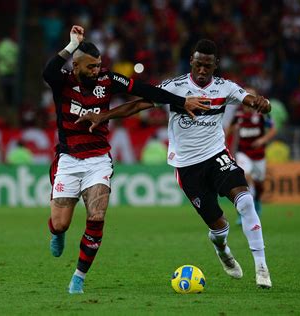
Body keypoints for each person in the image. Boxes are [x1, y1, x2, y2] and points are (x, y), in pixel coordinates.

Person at [77, 39, 273, 288]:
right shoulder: (175, 87)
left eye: (208, 66)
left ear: (216, 66)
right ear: (191, 62)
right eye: (198, 65)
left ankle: (261, 267)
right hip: (188, 167)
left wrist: (262, 104)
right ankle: (222, 248)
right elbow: (139, 104)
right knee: (219, 227)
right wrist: (104, 115)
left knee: (245, 200)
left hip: (217, 156)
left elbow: (252, 100)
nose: (202, 71)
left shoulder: (226, 88)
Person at [42, 25, 208, 294]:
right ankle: (57, 233)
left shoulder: (108, 80)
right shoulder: (62, 81)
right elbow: (48, 71)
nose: (97, 71)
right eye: (91, 67)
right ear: (76, 65)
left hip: (98, 160)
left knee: (96, 217)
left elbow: (146, 91)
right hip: (69, 159)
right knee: (61, 223)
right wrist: (72, 44)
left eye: (99, 66)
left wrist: (181, 101)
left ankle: (78, 278)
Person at [225, 87, 277, 223]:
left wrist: (263, 140)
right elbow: (228, 129)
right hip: (243, 153)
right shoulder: (238, 114)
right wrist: (222, 143)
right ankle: (244, 212)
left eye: (251, 95)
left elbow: (272, 129)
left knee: (259, 183)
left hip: (259, 154)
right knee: (245, 177)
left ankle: (257, 201)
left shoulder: (262, 113)